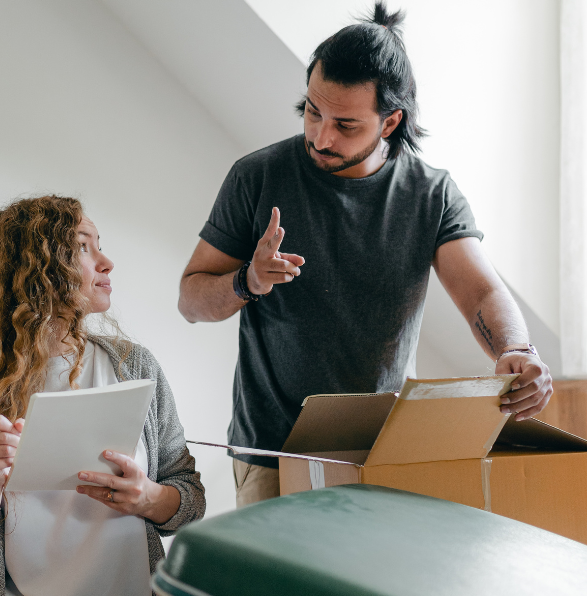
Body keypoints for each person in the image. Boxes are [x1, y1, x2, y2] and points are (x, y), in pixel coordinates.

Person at [178, 2, 553, 508]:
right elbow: (191, 301)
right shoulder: (257, 176)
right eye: (313, 111)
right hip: (272, 452)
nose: (321, 136)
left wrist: (517, 350)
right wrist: (248, 280)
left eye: (346, 125)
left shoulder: (431, 194)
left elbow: (481, 289)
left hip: (381, 449)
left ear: (390, 121)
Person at [0, 196, 205, 596]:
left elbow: (190, 501)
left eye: (100, 244)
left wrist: (149, 498)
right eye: (83, 247)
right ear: (34, 268)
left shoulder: (134, 366)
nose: (106, 262)